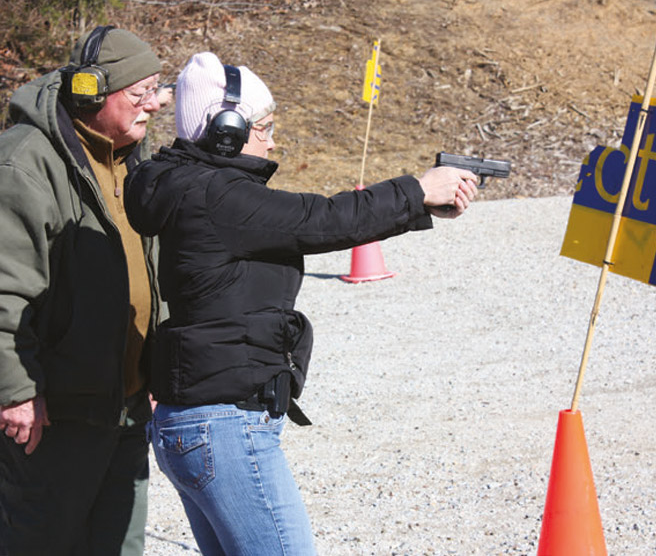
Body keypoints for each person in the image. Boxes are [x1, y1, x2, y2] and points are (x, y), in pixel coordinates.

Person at [123, 51, 479, 556]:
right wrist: (417, 191)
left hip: (200, 420)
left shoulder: (188, 187)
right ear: (224, 130)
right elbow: (325, 219)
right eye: (263, 126)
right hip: (224, 424)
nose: (272, 139)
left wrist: (417, 204)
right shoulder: (216, 197)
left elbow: (313, 221)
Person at [0, 26, 167, 555]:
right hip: (52, 415)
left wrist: (159, 366)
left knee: (118, 547)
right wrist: (15, 390)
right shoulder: (21, 164)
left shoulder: (130, 160)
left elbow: (153, 276)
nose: (154, 105)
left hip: (124, 407)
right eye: (139, 93)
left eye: (158, 89)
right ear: (92, 92)